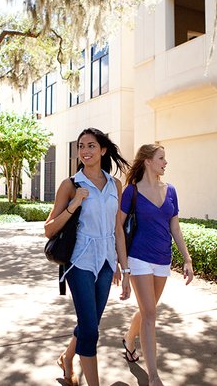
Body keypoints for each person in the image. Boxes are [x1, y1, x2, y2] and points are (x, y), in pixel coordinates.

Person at [45, 128, 132, 386]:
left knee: (89, 322)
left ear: (103, 150)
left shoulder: (116, 184)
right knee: (91, 329)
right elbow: (49, 228)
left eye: (91, 145)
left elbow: (118, 229)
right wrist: (74, 204)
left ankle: (67, 357)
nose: (85, 151)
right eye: (81, 146)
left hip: (106, 262)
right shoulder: (71, 185)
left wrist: (124, 269)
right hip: (80, 260)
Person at [119, 144, 194, 386]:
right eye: (161, 158)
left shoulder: (170, 190)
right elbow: (117, 228)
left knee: (146, 310)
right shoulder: (131, 192)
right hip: (139, 258)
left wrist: (187, 258)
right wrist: (123, 266)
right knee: (151, 314)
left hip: (163, 260)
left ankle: (129, 341)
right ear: (148, 161)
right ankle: (154, 377)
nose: (165, 162)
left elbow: (175, 227)